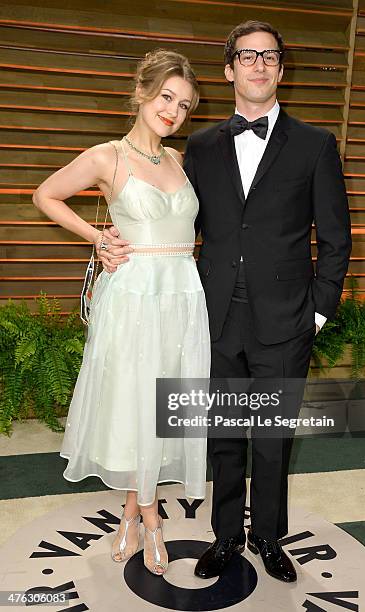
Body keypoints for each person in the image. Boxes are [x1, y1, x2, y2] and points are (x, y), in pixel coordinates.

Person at [99, 20, 352, 584]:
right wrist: (115, 238)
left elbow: (336, 238)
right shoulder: (202, 145)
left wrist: (317, 311)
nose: (259, 64)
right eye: (247, 55)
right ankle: (225, 536)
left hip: (286, 319)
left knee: (272, 438)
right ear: (230, 69)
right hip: (211, 316)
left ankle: (267, 535)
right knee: (224, 435)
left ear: (281, 68)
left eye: (269, 55)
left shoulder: (316, 144)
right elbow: (174, 219)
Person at [32, 49, 210, 576]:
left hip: (183, 296)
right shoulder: (106, 157)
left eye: (183, 105)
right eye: (165, 98)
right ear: (141, 92)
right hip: (134, 300)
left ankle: (130, 514)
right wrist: (96, 237)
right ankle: (152, 518)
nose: (173, 112)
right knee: (137, 407)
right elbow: (46, 195)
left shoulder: (178, 161)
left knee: (162, 410)